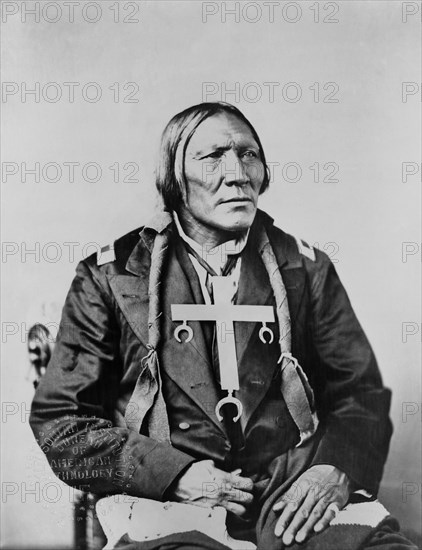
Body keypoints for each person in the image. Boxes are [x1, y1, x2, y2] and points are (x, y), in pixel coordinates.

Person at [30, 102, 417, 550]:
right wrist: (171, 475)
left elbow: (360, 395)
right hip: (169, 499)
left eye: (248, 154)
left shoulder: (305, 270)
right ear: (175, 179)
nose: (237, 174)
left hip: (289, 489)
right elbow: (62, 420)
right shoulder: (111, 277)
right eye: (213, 157)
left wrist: (336, 469)